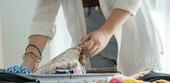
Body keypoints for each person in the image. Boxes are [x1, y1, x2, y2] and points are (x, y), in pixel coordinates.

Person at [22, 0, 162, 76]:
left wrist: (105, 32)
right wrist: (31, 57)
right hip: (87, 32)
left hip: (127, 23)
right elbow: (45, 12)